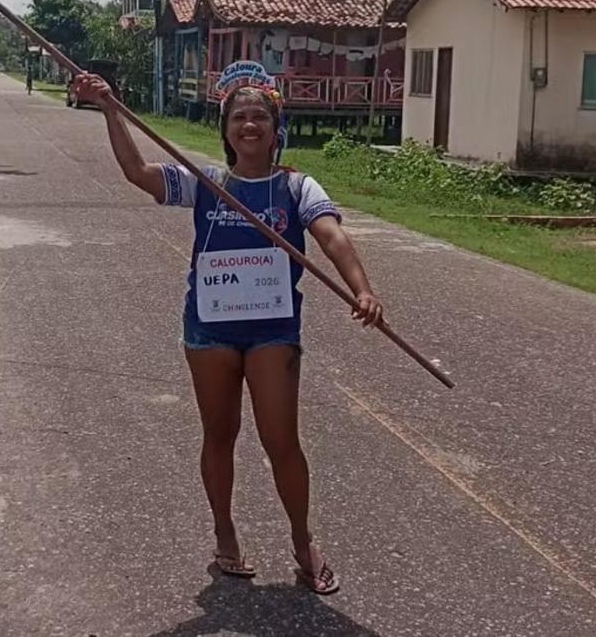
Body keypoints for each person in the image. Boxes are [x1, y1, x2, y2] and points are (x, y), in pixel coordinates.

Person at [73, 62, 383, 595]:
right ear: (226, 128)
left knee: (282, 440)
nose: (249, 125)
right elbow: (138, 174)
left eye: (259, 116)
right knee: (220, 434)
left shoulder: (296, 186)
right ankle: (224, 532)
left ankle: (303, 539)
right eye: (239, 116)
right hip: (210, 331)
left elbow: (331, 236)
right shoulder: (207, 183)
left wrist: (362, 287)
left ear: (274, 127)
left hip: (272, 330)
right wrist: (109, 109)